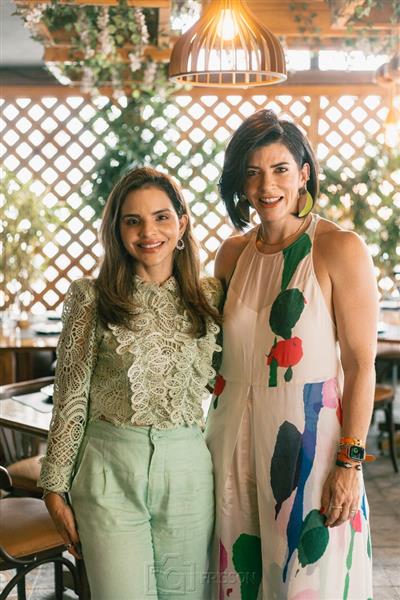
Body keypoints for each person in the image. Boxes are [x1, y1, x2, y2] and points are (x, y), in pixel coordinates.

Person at [205, 110, 378, 599]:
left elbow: (360, 365)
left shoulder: (338, 248)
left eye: (280, 169)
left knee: (307, 582)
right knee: (238, 582)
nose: (267, 185)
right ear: (240, 182)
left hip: (309, 447)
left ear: (303, 174)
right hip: (229, 445)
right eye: (253, 172)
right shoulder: (231, 254)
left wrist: (350, 464)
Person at [39, 167, 222, 600]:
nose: (148, 232)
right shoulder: (90, 297)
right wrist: (53, 487)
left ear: (182, 223)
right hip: (108, 472)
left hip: (188, 472)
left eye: (161, 217)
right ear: (117, 231)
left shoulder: (211, 297)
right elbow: (71, 396)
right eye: (133, 221)